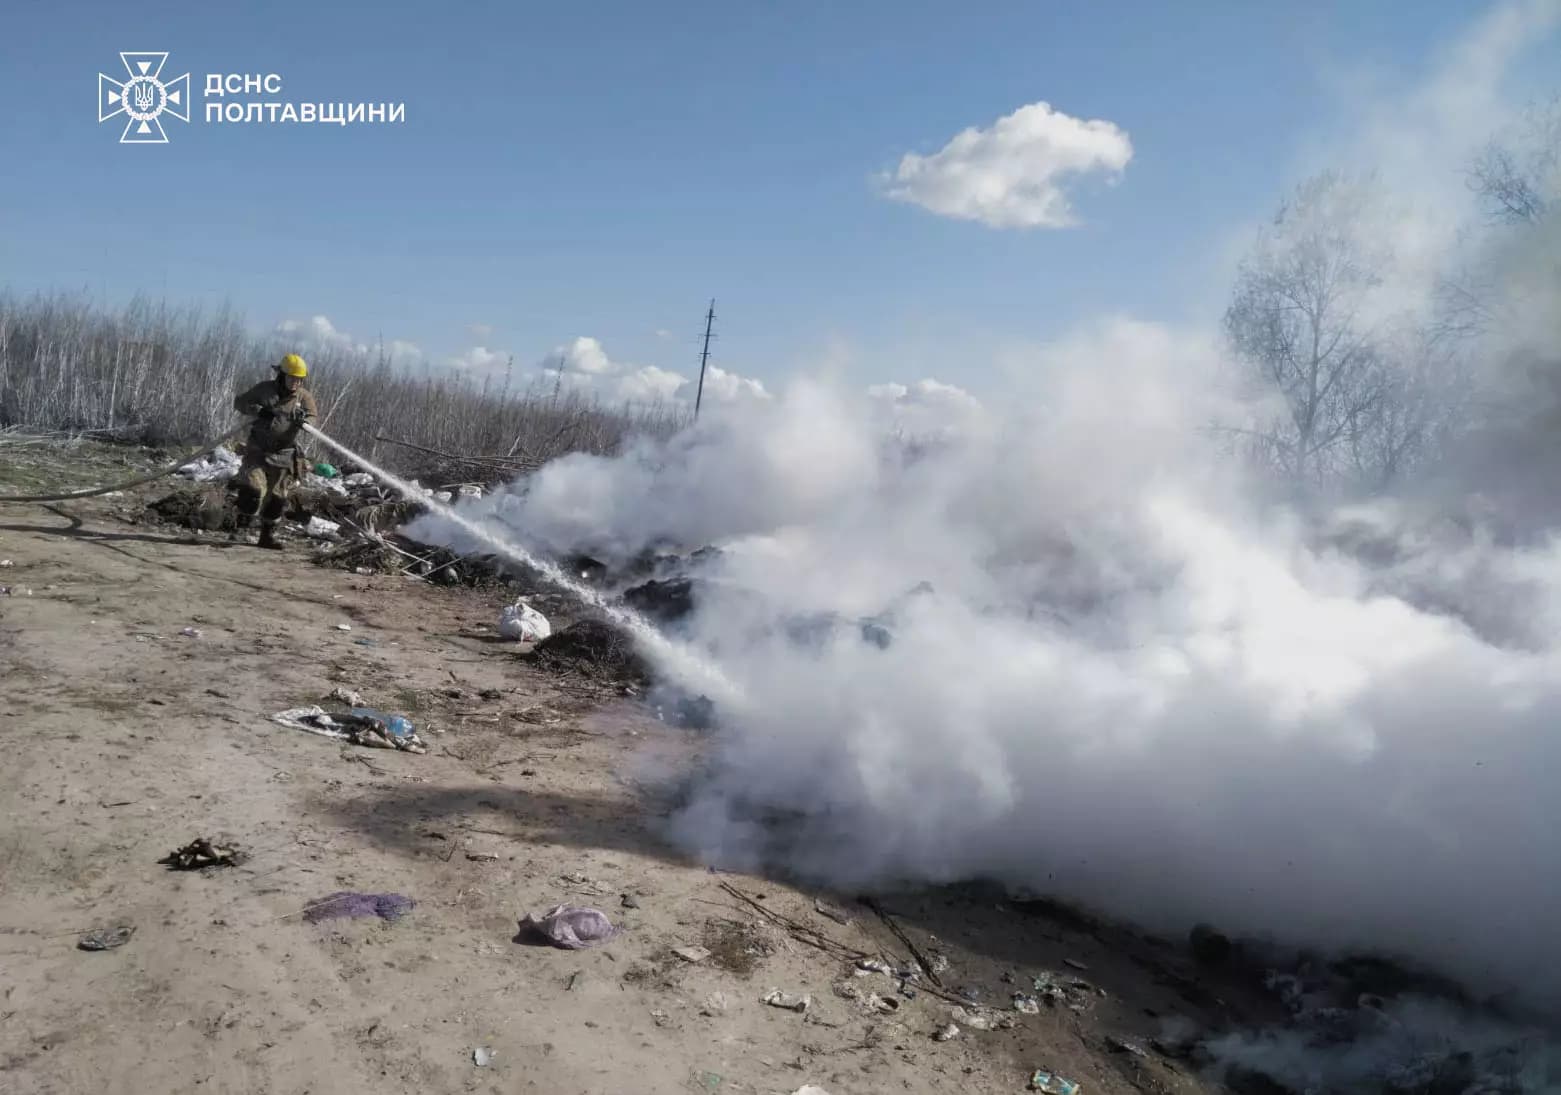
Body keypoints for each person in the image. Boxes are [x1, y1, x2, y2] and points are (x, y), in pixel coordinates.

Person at [231, 353, 318, 549]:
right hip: (258, 450)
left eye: (299, 379)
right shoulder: (264, 390)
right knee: (253, 488)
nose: (296, 383)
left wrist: (304, 420)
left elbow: (313, 417)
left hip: (284, 455)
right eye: (292, 378)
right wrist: (258, 410)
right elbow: (240, 403)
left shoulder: (303, 397)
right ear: (282, 375)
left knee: (278, 498)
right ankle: (241, 529)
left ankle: (267, 536)